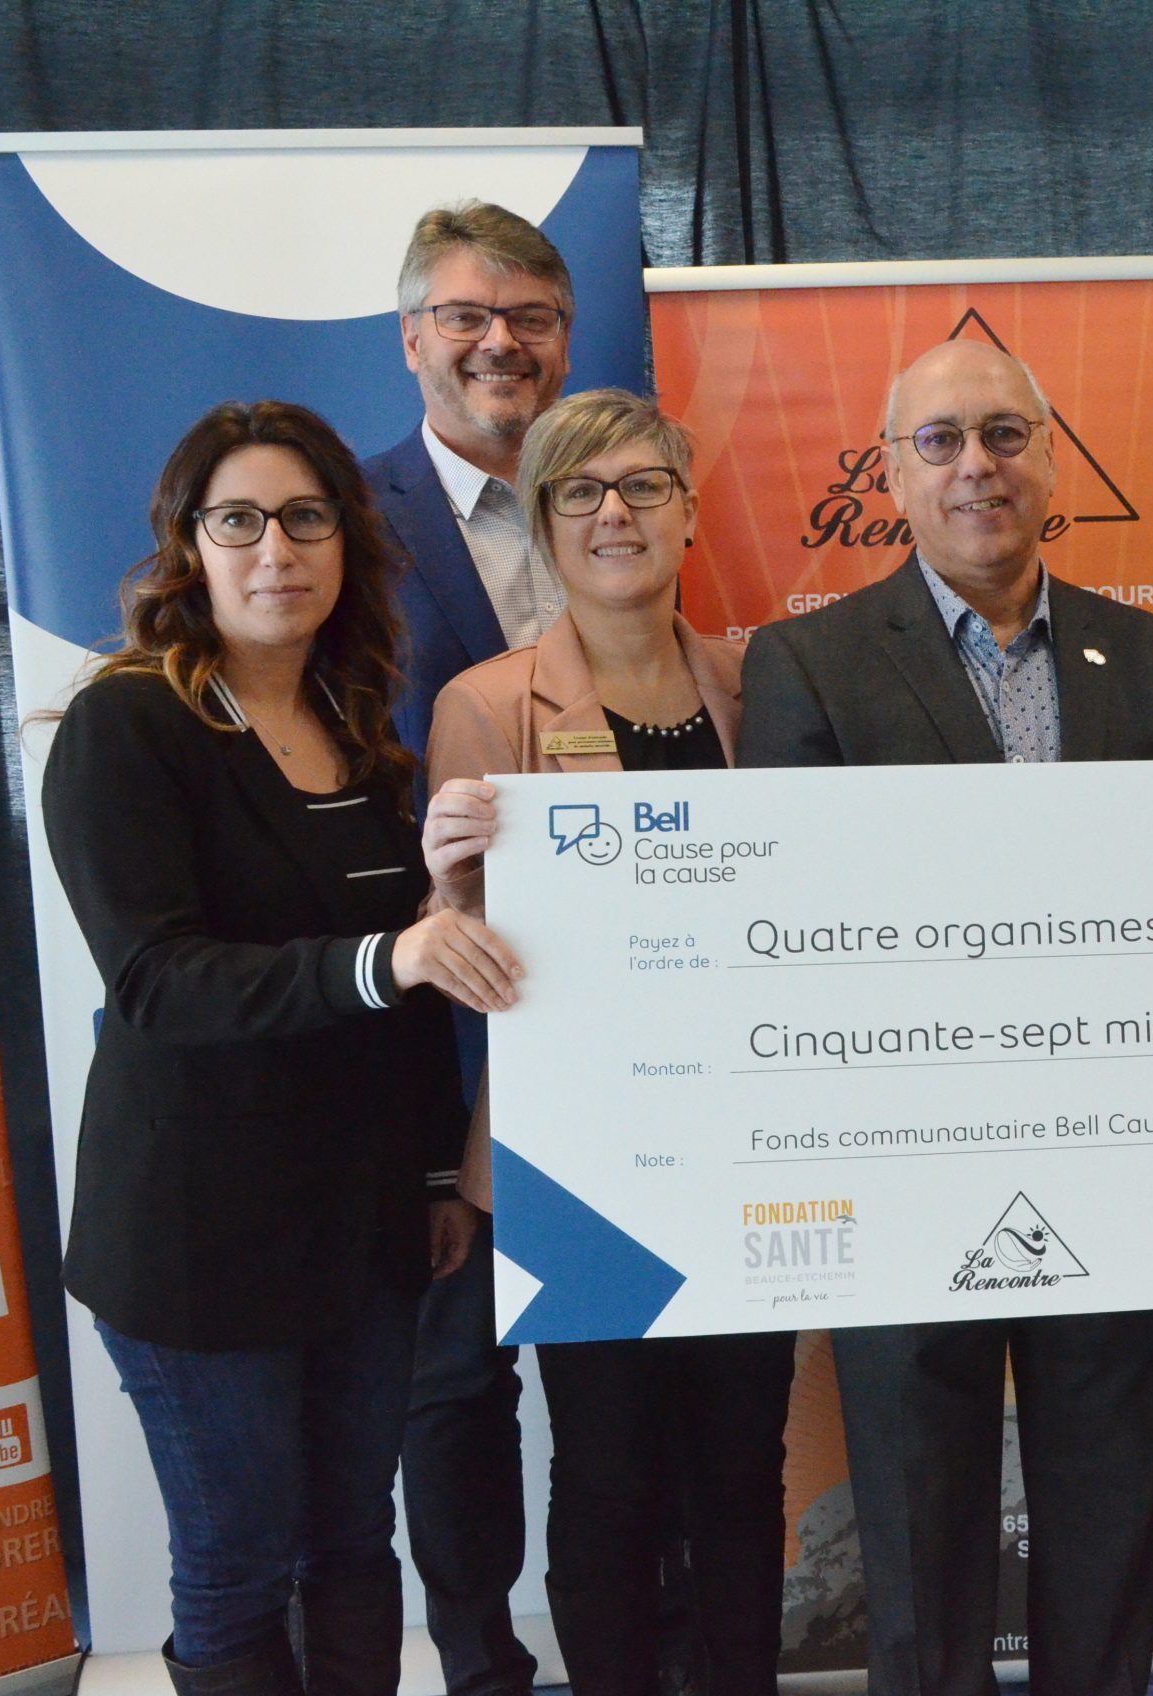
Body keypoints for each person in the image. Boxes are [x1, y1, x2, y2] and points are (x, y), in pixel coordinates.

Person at [739, 338, 1153, 1696]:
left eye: (1005, 435)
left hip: (1117, 1153)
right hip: (906, 1164)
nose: (976, 467)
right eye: (940, 441)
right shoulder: (809, 662)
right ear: (892, 475)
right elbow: (789, 930)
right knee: (917, 1523)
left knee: (1108, 1516)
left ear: (1052, 459)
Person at [42, 401, 520, 1696]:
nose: (277, 549)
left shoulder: (357, 724)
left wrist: (437, 1175)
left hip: (362, 1226)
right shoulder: (125, 726)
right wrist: (389, 957)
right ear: (188, 545)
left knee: (354, 1543)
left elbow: (411, 989)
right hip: (201, 1242)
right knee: (240, 1564)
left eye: (306, 517)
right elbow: (157, 979)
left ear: (347, 541)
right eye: (240, 520)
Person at [419, 391, 792, 1696]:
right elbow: (461, 945)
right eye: (579, 491)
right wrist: (447, 891)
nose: (614, 513)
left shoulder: (763, 686)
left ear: (689, 514)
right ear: (544, 523)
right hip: (580, 1161)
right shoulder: (488, 704)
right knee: (612, 1470)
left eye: (642, 486)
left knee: (744, 1465)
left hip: (747, 1139)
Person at [367, 200, 574, 1696]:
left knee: (631, 1362)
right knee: (452, 1383)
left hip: (618, 1013)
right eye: (466, 316)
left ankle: (647, 1648)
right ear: (413, 339)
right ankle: (480, 1662)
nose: (500, 341)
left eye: (531, 318)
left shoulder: (612, 497)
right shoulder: (344, 520)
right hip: (428, 1030)